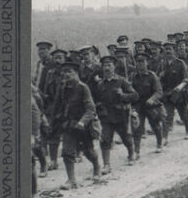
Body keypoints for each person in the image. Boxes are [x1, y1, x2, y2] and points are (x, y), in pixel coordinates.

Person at [51, 61, 101, 189]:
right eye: (64, 72)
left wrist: (82, 122)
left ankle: (97, 168)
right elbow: (56, 107)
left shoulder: (83, 88)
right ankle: (71, 180)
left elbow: (91, 109)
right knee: (67, 152)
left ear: (76, 73)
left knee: (88, 151)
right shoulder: (62, 88)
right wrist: (53, 123)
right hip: (68, 125)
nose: (66, 74)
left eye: (70, 72)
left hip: (83, 126)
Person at [95, 55, 138, 174]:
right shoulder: (100, 84)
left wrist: (123, 95)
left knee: (126, 138)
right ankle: (106, 165)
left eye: (109, 65)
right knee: (105, 140)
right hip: (106, 117)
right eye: (104, 66)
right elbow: (96, 100)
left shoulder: (121, 81)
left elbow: (135, 96)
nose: (107, 68)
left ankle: (131, 155)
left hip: (120, 115)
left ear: (114, 67)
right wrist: (99, 107)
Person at [130, 52, 164, 157]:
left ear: (147, 62)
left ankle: (159, 144)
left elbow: (159, 91)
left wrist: (152, 99)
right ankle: (136, 151)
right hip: (138, 106)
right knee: (137, 128)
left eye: (142, 61)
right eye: (138, 61)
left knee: (155, 125)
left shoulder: (152, 76)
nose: (140, 64)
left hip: (150, 105)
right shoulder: (133, 76)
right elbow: (129, 90)